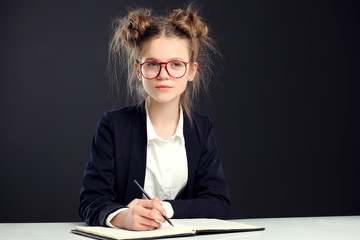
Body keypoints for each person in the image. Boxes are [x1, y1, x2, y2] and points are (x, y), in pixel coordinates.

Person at [79, 4, 231, 231]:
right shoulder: (113, 125)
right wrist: (124, 217)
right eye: (152, 65)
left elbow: (218, 203)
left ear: (191, 71)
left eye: (176, 64)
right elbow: (91, 201)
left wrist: (165, 209)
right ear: (138, 70)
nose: (163, 75)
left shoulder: (202, 129)